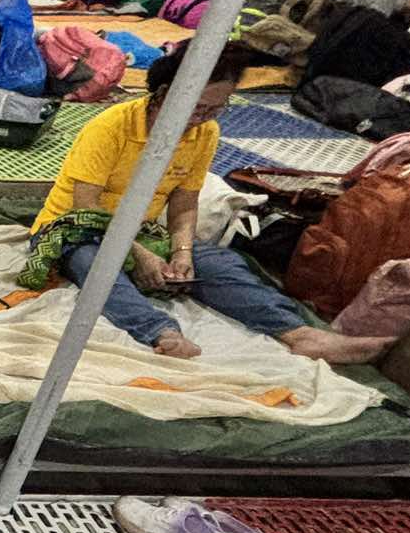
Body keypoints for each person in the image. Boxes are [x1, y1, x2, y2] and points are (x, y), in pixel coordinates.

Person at [27, 44, 391, 364]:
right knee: (96, 264)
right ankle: (160, 331)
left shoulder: (204, 133)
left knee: (220, 262)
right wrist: (139, 255)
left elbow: (185, 202)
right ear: (166, 93)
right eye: (197, 107)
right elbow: (86, 208)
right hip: (77, 228)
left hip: (141, 232)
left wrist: (181, 251)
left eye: (216, 108)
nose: (202, 118)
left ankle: (297, 333)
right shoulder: (112, 126)